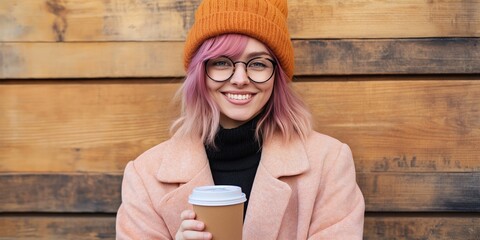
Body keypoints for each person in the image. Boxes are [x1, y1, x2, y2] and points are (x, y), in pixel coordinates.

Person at [116, 0, 365, 239]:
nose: (240, 78)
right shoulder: (145, 176)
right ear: (200, 72)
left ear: (276, 76)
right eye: (222, 62)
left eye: (257, 64)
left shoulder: (328, 163)